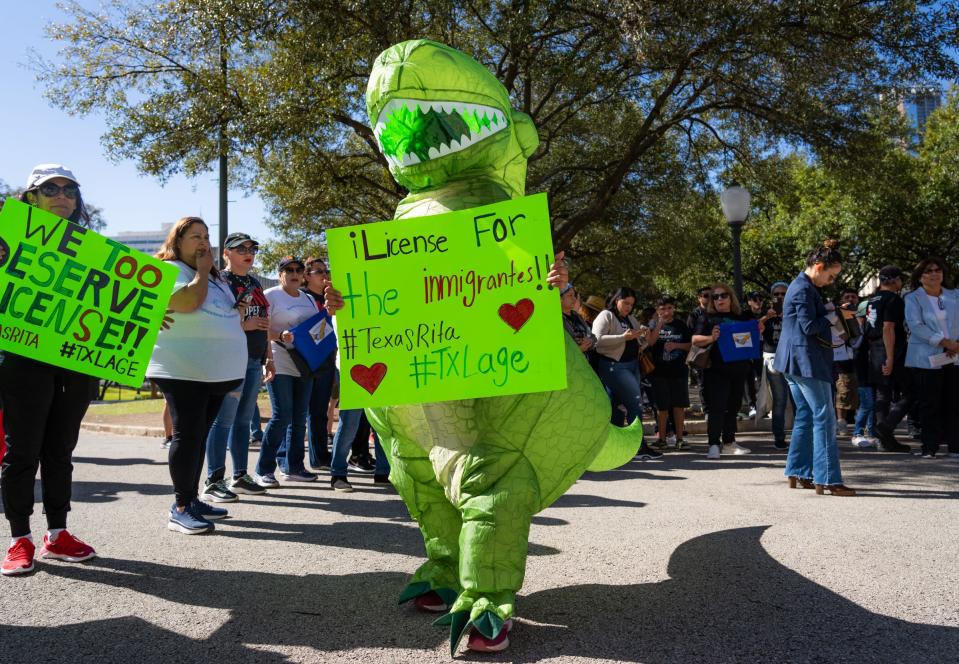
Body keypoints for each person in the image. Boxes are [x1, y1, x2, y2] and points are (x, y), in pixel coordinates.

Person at [1, 165, 98, 575]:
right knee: (22, 451)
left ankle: (57, 534)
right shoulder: (6, 240)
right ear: (31, 198)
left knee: (60, 451)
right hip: (22, 360)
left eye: (70, 189)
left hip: (75, 363)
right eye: (50, 189)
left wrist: (142, 323)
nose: (62, 195)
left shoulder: (96, 251)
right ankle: (18, 539)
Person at [148, 217, 247, 533]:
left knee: (198, 436)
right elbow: (188, 302)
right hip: (182, 369)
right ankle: (179, 507)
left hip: (214, 373)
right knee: (187, 435)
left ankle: (191, 499)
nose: (204, 242)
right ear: (177, 242)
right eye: (195, 236)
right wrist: (203, 272)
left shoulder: (215, 278)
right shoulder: (170, 270)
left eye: (206, 236)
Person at [774, 240, 855, 496]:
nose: (831, 281)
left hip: (794, 361)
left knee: (807, 417)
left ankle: (798, 472)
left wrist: (831, 309)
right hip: (806, 361)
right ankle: (829, 479)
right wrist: (835, 316)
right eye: (831, 275)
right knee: (824, 417)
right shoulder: (803, 290)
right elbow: (810, 327)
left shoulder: (803, 286)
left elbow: (807, 319)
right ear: (818, 267)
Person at [200, 233, 274, 502]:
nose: (248, 252)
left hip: (254, 359)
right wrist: (244, 325)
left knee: (244, 421)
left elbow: (264, 322)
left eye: (252, 248)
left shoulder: (254, 282)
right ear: (226, 254)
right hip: (229, 359)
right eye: (240, 248)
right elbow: (212, 321)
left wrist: (269, 357)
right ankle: (213, 480)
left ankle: (240, 476)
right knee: (223, 421)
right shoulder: (219, 282)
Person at [254, 257, 321, 487]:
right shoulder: (270, 295)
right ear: (280, 273)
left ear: (303, 274)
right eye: (288, 270)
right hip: (278, 359)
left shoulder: (309, 299)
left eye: (298, 270)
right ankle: (264, 469)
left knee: (299, 417)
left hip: (305, 363)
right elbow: (262, 328)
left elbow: (317, 329)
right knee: (282, 415)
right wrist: (280, 337)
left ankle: (294, 466)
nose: (294, 273)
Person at [592, 287, 662, 459]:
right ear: (616, 299)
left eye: (631, 304)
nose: (629, 307)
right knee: (635, 404)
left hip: (632, 366)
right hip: (614, 367)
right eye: (625, 303)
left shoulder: (630, 318)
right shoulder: (606, 315)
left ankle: (613, 448)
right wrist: (623, 337)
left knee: (615, 409)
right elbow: (596, 341)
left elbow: (640, 343)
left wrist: (642, 335)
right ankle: (638, 447)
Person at [691, 283, 757, 459]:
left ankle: (729, 442)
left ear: (731, 297)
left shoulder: (742, 316)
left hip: (739, 369)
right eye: (715, 296)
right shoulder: (707, 317)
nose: (719, 299)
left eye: (723, 295)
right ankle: (713, 444)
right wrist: (711, 337)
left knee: (733, 408)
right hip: (715, 370)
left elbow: (751, 336)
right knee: (717, 408)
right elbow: (695, 339)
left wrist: (758, 331)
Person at [903, 258, 959, 459]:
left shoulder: (955, 295)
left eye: (938, 270)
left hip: (955, 355)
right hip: (926, 357)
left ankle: (955, 446)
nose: (934, 273)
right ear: (920, 277)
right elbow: (916, 326)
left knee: (954, 402)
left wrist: (955, 343)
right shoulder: (913, 298)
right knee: (929, 403)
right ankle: (929, 447)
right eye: (928, 271)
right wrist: (944, 342)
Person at [863, 266, 912, 453]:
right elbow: (888, 328)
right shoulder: (893, 299)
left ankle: (885, 441)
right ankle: (886, 427)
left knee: (882, 395)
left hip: (875, 349)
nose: (901, 283)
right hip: (890, 349)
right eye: (900, 279)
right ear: (893, 279)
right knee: (911, 392)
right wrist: (890, 358)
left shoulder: (872, 299)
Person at [301, 257, 337, 470]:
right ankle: (316, 457)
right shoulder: (304, 297)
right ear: (306, 276)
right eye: (318, 271)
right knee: (308, 411)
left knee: (321, 409)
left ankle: (321, 454)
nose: (325, 275)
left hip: (327, 357)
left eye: (326, 270)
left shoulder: (328, 297)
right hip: (306, 360)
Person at [646, 296, 692, 450]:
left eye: (669, 308)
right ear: (657, 310)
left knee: (679, 406)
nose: (666, 312)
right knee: (661, 408)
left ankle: (680, 439)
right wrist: (659, 324)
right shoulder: (653, 325)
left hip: (679, 371)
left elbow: (691, 345)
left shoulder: (681, 325)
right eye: (662, 309)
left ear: (674, 308)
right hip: (659, 372)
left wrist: (676, 345)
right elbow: (650, 342)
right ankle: (662, 439)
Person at [761, 282, 791, 449]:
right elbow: (754, 330)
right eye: (777, 294)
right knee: (779, 400)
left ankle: (801, 435)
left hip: (792, 358)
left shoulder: (793, 311)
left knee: (797, 401)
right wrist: (766, 317)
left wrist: (788, 316)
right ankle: (779, 437)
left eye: (783, 294)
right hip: (773, 358)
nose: (780, 297)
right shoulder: (766, 314)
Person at [832, 289, 860, 438]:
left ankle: (859, 425)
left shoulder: (862, 314)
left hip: (858, 358)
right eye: (847, 297)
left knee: (858, 391)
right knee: (843, 391)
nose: (850, 299)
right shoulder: (835, 317)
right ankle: (841, 423)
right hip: (840, 358)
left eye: (853, 297)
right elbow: (844, 336)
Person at [687, 287, 712, 414]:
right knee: (703, 383)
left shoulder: (715, 312)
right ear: (699, 298)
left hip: (715, 352)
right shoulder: (695, 314)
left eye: (711, 295)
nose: (709, 297)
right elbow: (691, 335)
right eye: (706, 295)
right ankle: (706, 409)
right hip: (701, 353)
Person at [561, 284, 598, 355]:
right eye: (570, 295)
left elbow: (593, 337)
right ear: (560, 299)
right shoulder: (556, 320)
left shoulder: (577, 316)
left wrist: (589, 341)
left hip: (583, 362)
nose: (574, 299)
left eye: (574, 295)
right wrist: (578, 349)